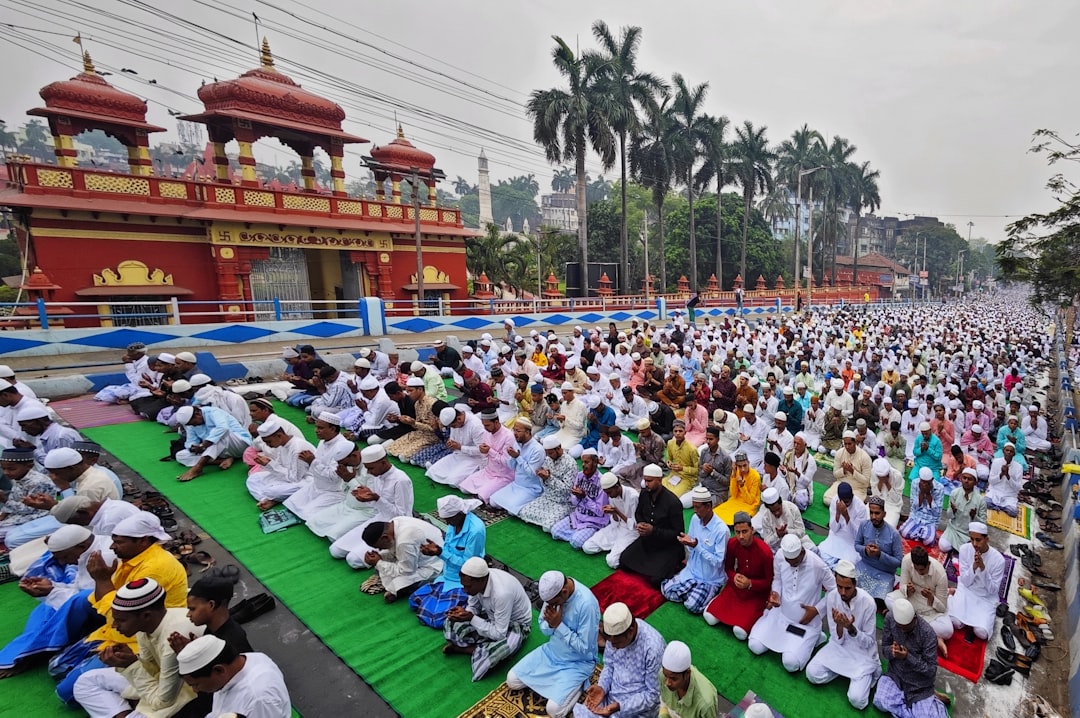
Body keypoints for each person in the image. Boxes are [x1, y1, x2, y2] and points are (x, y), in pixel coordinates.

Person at [73, 578, 202, 718]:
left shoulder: (173, 639)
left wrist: (131, 666)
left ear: (146, 615)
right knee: (86, 681)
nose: (114, 625)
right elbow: (152, 672)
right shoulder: (145, 626)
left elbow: (163, 701)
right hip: (159, 686)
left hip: (182, 697)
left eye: (121, 620)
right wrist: (132, 660)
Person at [0, 525, 112, 677]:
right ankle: (28, 650)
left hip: (112, 608)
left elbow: (97, 596)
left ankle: (31, 654)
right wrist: (51, 587)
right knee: (46, 607)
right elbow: (79, 586)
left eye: (65, 557)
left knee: (79, 600)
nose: (63, 562)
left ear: (82, 546)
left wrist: (54, 592)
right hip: (93, 599)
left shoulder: (103, 556)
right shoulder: (86, 550)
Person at [507, 570, 600, 718]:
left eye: (554, 603)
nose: (550, 606)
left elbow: (585, 648)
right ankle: (559, 687)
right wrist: (551, 625)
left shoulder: (586, 604)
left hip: (577, 663)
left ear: (564, 592)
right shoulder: (553, 594)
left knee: (554, 710)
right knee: (512, 680)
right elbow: (544, 627)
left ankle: (580, 685)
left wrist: (559, 626)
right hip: (551, 653)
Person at [747, 533, 835, 672]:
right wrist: (776, 593)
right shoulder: (781, 556)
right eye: (788, 561)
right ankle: (808, 640)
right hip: (781, 615)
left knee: (791, 663)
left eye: (794, 562)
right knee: (755, 645)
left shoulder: (818, 565)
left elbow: (834, 591)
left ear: (802, 552)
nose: (791, 564)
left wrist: (817, 610)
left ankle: (815, 637)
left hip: (804, 623)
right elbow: (777, 579)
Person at [805, 560, 881, 710]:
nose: (843, 592)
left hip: (862, 654)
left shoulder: (868, 603)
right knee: (812, 673)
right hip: (839, 648)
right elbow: (836, 638)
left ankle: (859, 675)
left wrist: (851, 628)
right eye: (839, 586)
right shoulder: (832, 596)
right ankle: (845, 673)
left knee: (857, 700)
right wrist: (840, 625)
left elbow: (868, 643)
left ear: (855, 584)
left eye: (847, 588)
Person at [323, 445, 414, 569]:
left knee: (353, 560)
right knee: (335, 550)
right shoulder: (377, 476)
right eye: (367, 469)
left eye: (371, 468)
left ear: (383, 462)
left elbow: (402, 515)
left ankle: (391, 552)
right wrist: (366, 497)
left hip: (396, 526)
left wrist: (376, 498)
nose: (369, 472)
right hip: (379, 518)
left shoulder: (400, 480)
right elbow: (377, 506)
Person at [443, 557, 532, 682]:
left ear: (482, 581)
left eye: (468, 587)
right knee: (450, 621)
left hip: (515, 624)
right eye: (464, 586)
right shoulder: (477, 580)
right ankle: (479, 649)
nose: (466, 590)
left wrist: (471, 618)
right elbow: (473, 607)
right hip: (491, 615)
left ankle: (465, 649)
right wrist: (464, 614)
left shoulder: (502, 593)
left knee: (502, 649)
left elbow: (500, 634)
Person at [573, 602, 664, 718]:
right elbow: (609, 665)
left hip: (636, 710)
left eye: (617, 643)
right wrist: (602, 687)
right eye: (610, 642)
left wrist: (620, 706)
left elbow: (652, 696)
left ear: (630, 632)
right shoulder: (614, 637)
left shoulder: (653, 649)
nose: (613, 647)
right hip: (611, 698)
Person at [409, 496, 487, 629]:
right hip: (446, 576)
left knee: (437, 619)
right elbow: (448, 549)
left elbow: (468, 566)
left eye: (449, 519)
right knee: (413, 600)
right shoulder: (454, 523)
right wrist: (436, 551)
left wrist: (440, 553)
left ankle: (473, 606)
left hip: (463, 581)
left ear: (460, 514)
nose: (446, 522)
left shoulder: (476, 531)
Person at [177, 635, 290, 718]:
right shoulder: (242, 663)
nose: (195, 690)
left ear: (219, 669)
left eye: (196, 684)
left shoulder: (258, 698)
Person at [703, 512, 774, 640]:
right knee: (710, 618)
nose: (741, 536)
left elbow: (769, 582)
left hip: (756, 594)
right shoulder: (732, 543)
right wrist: (733, 576)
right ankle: (717, 602)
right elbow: (728, 568)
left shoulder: (765, 552)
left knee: (740, 632)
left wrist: (750, 583)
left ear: (752, 530)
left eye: (745, 531)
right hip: (736, 588)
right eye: (737, 532)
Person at [873, 598, 948, 718]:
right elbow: (885, 650)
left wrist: (907, 657)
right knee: (880, 702)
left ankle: (928, 702)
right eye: (899, 627)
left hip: (918, 685)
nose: (902, 630)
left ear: (914, 619)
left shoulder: (928, 634)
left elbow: (930, 671)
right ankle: (916, 710)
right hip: (896, 676)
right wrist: (893, 652)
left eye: (905, 627)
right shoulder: (890, 618)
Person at [661, 487, 729, 615]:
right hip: (692, 571)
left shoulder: (721, 530)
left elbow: (718, 562)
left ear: (708, 506)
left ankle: (708, 592)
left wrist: (696, 546)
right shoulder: (694, 519)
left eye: (698, 507)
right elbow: (691, 545)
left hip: (710, 578)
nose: (695, 511)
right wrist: (687, 544)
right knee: (667, 590)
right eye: (694, 507)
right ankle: (694, 592)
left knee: (691, 606)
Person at [619, 464, 686, 586]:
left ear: (660, 480)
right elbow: (638, 513)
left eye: (649, 481)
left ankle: (672, 564)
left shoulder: (673, 502)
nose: (646, 483)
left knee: (656, 581)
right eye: (645, 480)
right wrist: (641, 524)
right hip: (648, 541)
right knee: (623, 562)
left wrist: (653, 531)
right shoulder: (644, 494)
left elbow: (678, 533)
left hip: (668, 546)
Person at [885, 546, 953, 656]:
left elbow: (942, 608)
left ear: (928, 564)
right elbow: (902, 585)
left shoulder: (940, 574)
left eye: (921, 570)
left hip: (930, 607)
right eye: (916, 569)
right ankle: (932, 635)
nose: (918, 572)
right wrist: (907, 590)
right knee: (888, 599)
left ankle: (907, 621)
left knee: (947, 631)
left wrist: (931, 597)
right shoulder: (907, 560)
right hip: (911, 599)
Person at [360, 517, 445, 603]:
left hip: (435, 563)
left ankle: (399, 590)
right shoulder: (393, 523)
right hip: (416, 555)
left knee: (398, 582)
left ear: (385, 538)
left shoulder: (404, 541)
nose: (379, 549)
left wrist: (378, 563)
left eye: (379, 547)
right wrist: (380, 558)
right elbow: (394, 550)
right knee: (383, 562)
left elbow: (407, 570)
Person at [244, 417, 317, 511]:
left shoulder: (297, 448)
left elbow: (295, 478)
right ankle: (267, 499)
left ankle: (273, 498)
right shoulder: (282, 445)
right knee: (253, 479)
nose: (267, 445)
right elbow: (279, 465)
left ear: (279, 436)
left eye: (268, 442)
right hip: (288, 477)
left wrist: (269, 464)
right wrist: (267, 464)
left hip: (306, 480)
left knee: (271, 491)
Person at [947, 522, 1004, 641]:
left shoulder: (998, 560)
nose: (974, 544)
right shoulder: (964, 549)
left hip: (985, 597)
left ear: (986, 539)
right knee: (955, 623)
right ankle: (954, 596)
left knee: (982, 633)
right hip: (967, 590)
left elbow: (993, 590)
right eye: (972, 539)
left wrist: (983, 569)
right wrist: (974, 566)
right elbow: (965, 581)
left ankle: (956, 596)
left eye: (978, 540)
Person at [173, 405, 252, 483]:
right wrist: (193, 448)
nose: (194, 426)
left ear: (197, 414)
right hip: (216, 450)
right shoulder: (191, 424)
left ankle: (198, 467)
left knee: (221, 435)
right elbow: (190, 441)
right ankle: (222, 460)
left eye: (194, 423)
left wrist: (203, 445)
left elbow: (223, 428)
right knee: (180, 456)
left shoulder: (213, 412)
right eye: (191, 425)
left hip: (238, 444)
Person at [518, 437, 580, 531]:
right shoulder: (548, 460)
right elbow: (544, 480)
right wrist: (542, 477)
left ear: (558, 448)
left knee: (547, 527)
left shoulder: (570, 464)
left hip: (563, 502)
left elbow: (568, 490)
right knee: (523, 512)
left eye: (550, 453)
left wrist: (549, 478)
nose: (548, 456)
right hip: (547, 497)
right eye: (547, 453)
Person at [550, 450, 609, 547]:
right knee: (555, 532)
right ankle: (578, 535)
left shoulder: (602, 482)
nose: (583, 465)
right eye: (582, 462)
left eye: (586, 462)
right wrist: (577, 497)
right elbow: (574, 502)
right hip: (577, 516)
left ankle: (582, 536)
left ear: (595, 463)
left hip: (593, 521)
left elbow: (600, 511)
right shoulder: (580, 476)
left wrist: (585, 497)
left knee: (576, 542)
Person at [489, 419, 547, 515]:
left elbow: (532, 474)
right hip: (516, 484)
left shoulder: (538, 450)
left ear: (528, 432)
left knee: (511, 511)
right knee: (493, 502)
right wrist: (512, 457)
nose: (515, 433)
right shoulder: (517, 444)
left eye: (518, 431)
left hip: (531, 488)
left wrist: (518, 457)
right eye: (514, 430)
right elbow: (511, 466)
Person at [582, 473, 640, 569]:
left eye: (609, 492)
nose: (608, 495)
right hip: (617, 527)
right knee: (587, 547)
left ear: (617, 487)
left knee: (612, 562)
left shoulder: (633, 496)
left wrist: (616, 511)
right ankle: (616, 547)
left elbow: (635, 525)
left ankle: (622, 548)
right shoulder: (612, 495)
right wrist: (613, 513)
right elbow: (615, 521)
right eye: (606, 493)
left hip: (631, 532)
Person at [0, 446, 56, 544]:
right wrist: (3, 515)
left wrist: (4, 499)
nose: (6, 472)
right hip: (17, 513)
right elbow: (14, 497)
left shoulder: (37, 482)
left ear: (29, 466)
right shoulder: (19, 477)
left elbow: (29, 509)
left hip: (36, 516)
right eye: (3, 468)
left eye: (11, 469)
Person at [458, 412, 519, 501]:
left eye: (487, 425)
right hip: (488, 471)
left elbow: (507, 462)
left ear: (496, 422)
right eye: (484, 425)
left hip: (503, 475)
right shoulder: (487, 432)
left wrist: (489, 451)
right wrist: (483, 451)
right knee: (463, 488)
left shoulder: (508, 437)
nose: (485, 428)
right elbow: (485, 455)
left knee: (481, 496)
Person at [854, 497, 903, 599]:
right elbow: (857, 545)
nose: (873, 516)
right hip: (864, 567)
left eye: (877, 513)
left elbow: (898, 561)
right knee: (849, 586)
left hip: (884, 575)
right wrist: (865, 550)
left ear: (884, 514)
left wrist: (880, 554)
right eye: (871, 513)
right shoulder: (864, 525)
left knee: (881, 599)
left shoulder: (893, 534)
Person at [658, 640, 719, 718]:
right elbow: (664, 705)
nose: (667, 682)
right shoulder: (662, 675)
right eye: (665, 675)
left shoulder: (705, 704)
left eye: (673, 679)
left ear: (687, 674)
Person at [818, 482, 869, 567]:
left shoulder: (860, 508)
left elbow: (857, 535)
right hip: (836, 536)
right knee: (821, 554)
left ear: (852, 497)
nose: (844, 505)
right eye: (843, 502)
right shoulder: (835, 501)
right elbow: (833, 529)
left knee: (848, 564)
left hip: (851, 542)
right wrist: (838, 514)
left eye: (847, 502)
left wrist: (846, 516)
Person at [938, 467, 987, 554]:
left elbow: (983, 524)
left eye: (970, 479)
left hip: (969, 535)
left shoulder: (980, 500)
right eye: (964, 478)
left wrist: (974, 517)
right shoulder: (954, 493)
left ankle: (960, 549)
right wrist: (953, 511)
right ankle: (958, 549)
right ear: (961, 479)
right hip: (953, 530)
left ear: (975, 482)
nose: (966, 481)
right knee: (943, 546)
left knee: (973, 551)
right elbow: (948, 516)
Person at [757, 487, 815, 553]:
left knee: (813, 550)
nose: (777, 513)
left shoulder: (792, 509)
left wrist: (787, 532)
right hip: (779, 547)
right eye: (773, 511)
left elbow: (801, 532)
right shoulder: (766, 517)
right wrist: (777, 535)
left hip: (798, 542)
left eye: (778, 509)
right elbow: (766, 542)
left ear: (781, 503)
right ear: (768, 509)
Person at [824, 431, 873, 505]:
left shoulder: (865, 457)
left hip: (857, 488)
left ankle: (843, 505)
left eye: (849, 444)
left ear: (855, 443)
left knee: (852, 504)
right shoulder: (840, 453)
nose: (847, 447)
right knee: (827, 499)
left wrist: (852, 471)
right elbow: (835, 474)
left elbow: (866, 481)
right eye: (845, 444)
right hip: (841, 484)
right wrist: (844, 470)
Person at [714, 451, 761, 526]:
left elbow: (750, 500)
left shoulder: (756, 476)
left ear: (748, 463)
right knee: (717, 512)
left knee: (737, 518)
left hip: (749, 504)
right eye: (739, 466)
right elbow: (733, 494)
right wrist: (733, 475)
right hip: (736, 500)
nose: (742, 469)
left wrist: (742, 486)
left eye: (744, 465)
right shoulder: (737, 472)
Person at [900, 468, 945, 547]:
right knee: (903, 532)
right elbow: (914, 507)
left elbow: (937, 513)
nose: (924, 485)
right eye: (922, 482)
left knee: (928, 541)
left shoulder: (939, 488)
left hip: (930, 521)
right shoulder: (915, 483)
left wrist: (928, 494)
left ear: (932, 480)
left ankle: (920, 533)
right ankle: (920, 534)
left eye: (927, 483)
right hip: (916, 517)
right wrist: (921, 493)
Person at [615, 418, 665, 486]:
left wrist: (645, 452)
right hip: (644, 461)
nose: (641, 434)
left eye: (643, 432)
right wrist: (640, 451)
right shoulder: (640, 436)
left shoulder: (658, 440)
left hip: (657, 464)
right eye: (640, 432)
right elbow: (642, 457)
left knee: (643, 483)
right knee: (623, 472)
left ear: (649, 428)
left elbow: (656, 461)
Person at [665, 421, 700, 507]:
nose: (677, 433)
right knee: (659, 488)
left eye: (680, 431)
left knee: (672, 497)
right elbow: (668, 458)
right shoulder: (670, 443)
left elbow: (698, 470)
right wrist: (669, 463)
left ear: (685, 432)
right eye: (675, 431)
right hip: (674, 474)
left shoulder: (692, 449)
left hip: (687, 478)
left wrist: (682, 468)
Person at [780, 433, 817, 511]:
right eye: (794, 443)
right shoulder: (789, 454)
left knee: (799, 501)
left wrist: (797, 473)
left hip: (802, 488)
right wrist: (784, 472)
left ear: (805, 445)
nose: (795, 446)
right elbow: (786, 474)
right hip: (789, 483)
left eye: (798, 444)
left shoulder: (810, 460)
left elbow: (807, 482)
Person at [985, 443, 1024, 517]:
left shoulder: (1019, 467)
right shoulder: (996, 462)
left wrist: (1008, 476)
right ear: (1003, 451)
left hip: (1009, 495)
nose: (1009, 452)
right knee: (984, 502)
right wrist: (1001, 474)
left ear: (1014, 454)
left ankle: (997, 507)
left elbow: (1018, 487)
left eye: (1011, 451)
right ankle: (1001, 508)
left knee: (1013, 512)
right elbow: (991, 481)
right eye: (1007, 450)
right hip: (995, 491)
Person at [869, 457, 904, 528]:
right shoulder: (873, 472)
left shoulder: (897, 476)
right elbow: (875, 495)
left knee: (888, 528)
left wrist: (887, 483)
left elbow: (896, 500)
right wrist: (880, 482)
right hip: (876, 502)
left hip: (893, 505)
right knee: (865, 523)